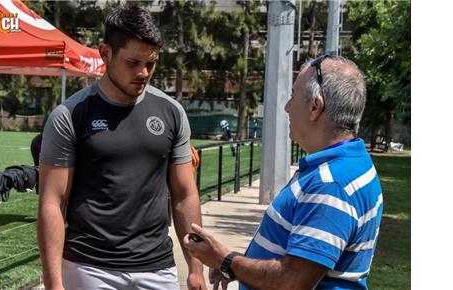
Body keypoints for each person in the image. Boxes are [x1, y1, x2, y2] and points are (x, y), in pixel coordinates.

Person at [37, 5, 206, 290]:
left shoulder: (172, 113)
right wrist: (54, 284)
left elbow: (184, 195)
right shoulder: (70, 115)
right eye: (133, 62)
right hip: (89, 268)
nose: (143, 72)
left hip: (158, 268)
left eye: (151, 63)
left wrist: (196, 268)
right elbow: (52, 202)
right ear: (105, 53)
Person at [184, 55, 383, 290]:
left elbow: (291, 283)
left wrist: (226, 260)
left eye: (293, 97)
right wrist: (238, 266)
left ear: (315, 107)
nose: (287, 107)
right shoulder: (349, 163)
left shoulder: (331, 184)